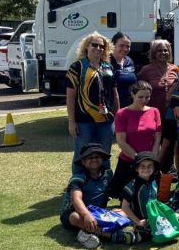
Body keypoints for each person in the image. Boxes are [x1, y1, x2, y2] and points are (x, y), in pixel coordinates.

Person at [59, 144, 135, 248]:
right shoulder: (78, 178)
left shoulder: (108, 174)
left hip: (97, 212)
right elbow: (76, 198)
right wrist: (86, 215)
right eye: (90, 157)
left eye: (97, 157)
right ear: (83, 162)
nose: (94, 159)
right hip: (76, 211)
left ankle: (87, 233)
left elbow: (117, 191)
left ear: (103, 159)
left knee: (124, 212)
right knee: (75, 217)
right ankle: (111, 235)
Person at [66, 32, 119, 173]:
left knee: (105, 153)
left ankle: (104, 184)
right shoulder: (77, 67)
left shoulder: (108, 67)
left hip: (107, 120)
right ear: (86, 47)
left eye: (102, 46)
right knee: (81, 153)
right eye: (94, 45)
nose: (98, 48)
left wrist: (117, 117)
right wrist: (72, 121)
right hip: (84, 121)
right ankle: (77, 183)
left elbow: (114, 93)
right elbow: (70, 97)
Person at [112, 81, 162, 198]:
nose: (144, 100)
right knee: (127, 198)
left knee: (151, 197)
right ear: (132, 95)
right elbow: (121, 141)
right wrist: (138, 160)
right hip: (129, 161)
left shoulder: (155, 111)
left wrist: (152, 159)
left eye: (147, 97)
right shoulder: (122, 114)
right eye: (140, 97)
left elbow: (157, 138)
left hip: (150, 162)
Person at [137, 39, 179, 170]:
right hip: (152, 113)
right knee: (154, 143)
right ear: (154, 52)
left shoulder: (175, 69)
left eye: (166, 50)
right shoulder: (146, 70)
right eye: (160, 50)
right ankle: (150, 167)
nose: (163, 53)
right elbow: (137, 89)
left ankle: (168, 170)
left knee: (169, 142)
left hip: (171, 114)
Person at [120, 151, 163, 241]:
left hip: (153, 218)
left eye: (149, 166)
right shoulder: (131, 185)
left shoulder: (154, 181)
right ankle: (136, 233)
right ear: (136, 168)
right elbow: (125, 207)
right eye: (142, 166)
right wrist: (138, 221)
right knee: (152, 233)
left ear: (154, 167)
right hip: (140, 221)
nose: (146, 169)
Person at [110, 32, 136, 109]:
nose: (125, 49)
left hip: (130, 106)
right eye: (121, 46)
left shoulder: (129, 61)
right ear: (113, 45)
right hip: (112, 107)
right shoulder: (106, 62)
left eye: (128, 46)